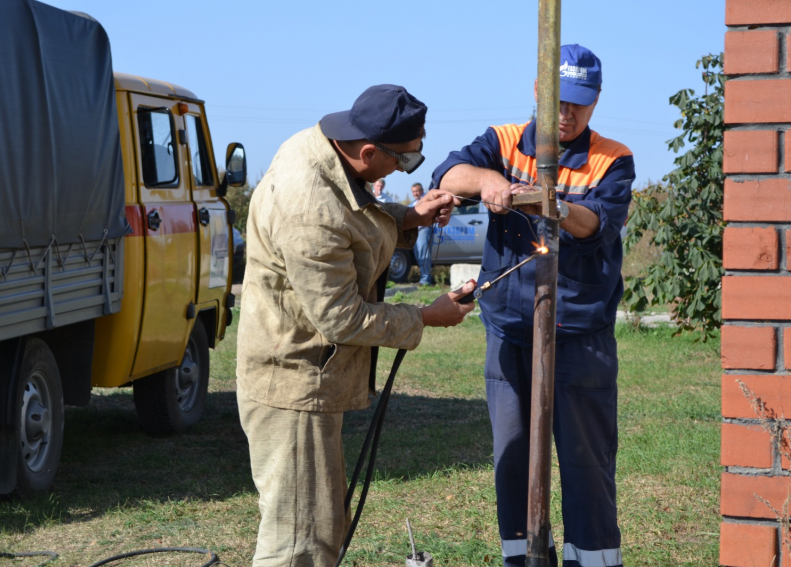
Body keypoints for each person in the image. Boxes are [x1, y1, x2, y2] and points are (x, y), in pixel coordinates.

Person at [236, 84, 476, 567]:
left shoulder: (319, 147)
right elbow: (341, 317)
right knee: (299, 543)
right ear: (368, 150)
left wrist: (409, 217)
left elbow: (354, 213)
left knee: (316, 523)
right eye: (405, 162)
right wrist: (426, 316)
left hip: (306, 376)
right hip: (293, 384)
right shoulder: (309, 208)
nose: (406, 169)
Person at [431, 44, 634, 567]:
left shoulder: (613, 158)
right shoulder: (501, 142)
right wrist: (491, 182)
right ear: (539, 92)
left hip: (578, 337)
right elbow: (449, 174)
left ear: (596, 102)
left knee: (586, 462)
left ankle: (591, 559)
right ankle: (521, 558)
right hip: (509, 332)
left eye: (579, 105)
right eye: (558, 102)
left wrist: (559, 207)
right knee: (512, 455)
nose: (566, 115)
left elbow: (597, 225)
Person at [409, 182, 434, 285]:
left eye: (417, 191)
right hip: (415, 231)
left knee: (424, 255)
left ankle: (425, 281)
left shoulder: (427, 200)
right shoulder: (413, 203)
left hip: (424, 229)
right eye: (413, 192)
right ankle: (425, 279)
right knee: (419, 255)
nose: (415, 193)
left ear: (422, 190)